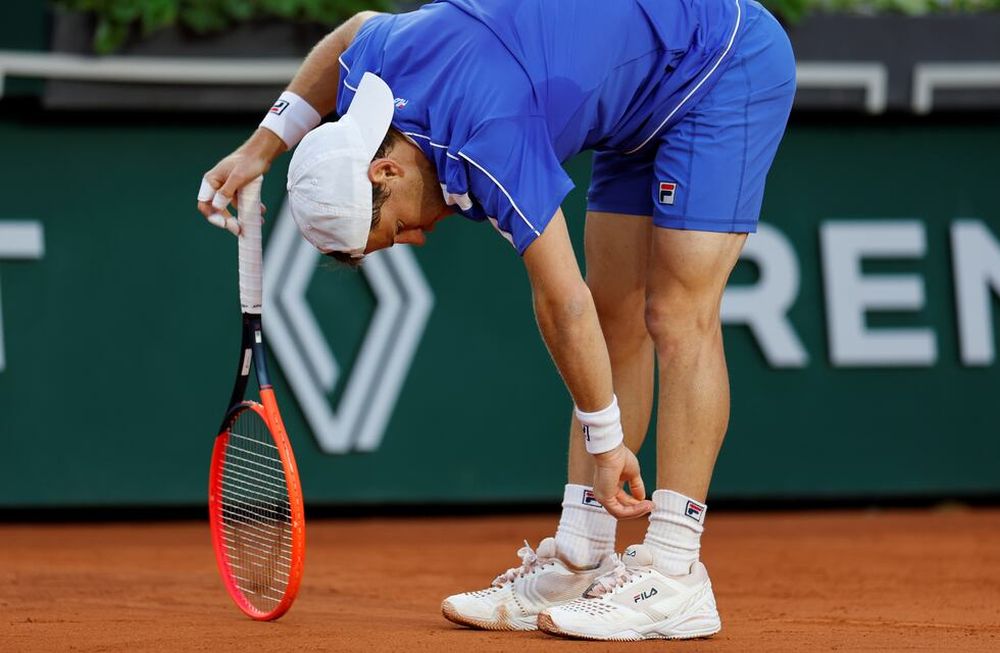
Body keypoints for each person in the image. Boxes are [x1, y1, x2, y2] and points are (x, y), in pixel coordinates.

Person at [197, 0, 795, 641]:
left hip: (719, 58)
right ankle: (581, 556)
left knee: (676, 313)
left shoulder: (491, 133)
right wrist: (263, 146)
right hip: (636, 100)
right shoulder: (376, 66)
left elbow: (562, 302)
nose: (416, 239)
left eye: (396, 228)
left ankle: (676, 572)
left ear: (385, 169)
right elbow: (354, 29)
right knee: (615, 314)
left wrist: (606, 443)